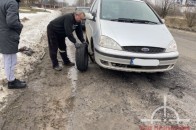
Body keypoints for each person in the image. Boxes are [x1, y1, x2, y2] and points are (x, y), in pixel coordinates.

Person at [0, 0, 26, 89]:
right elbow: (11, 22)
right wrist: (20, 26)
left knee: (7, 59)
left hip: (3, 34)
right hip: (8, 35)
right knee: (11, 60)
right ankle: (11, 82)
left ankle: (11, 79)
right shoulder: (12, 2)